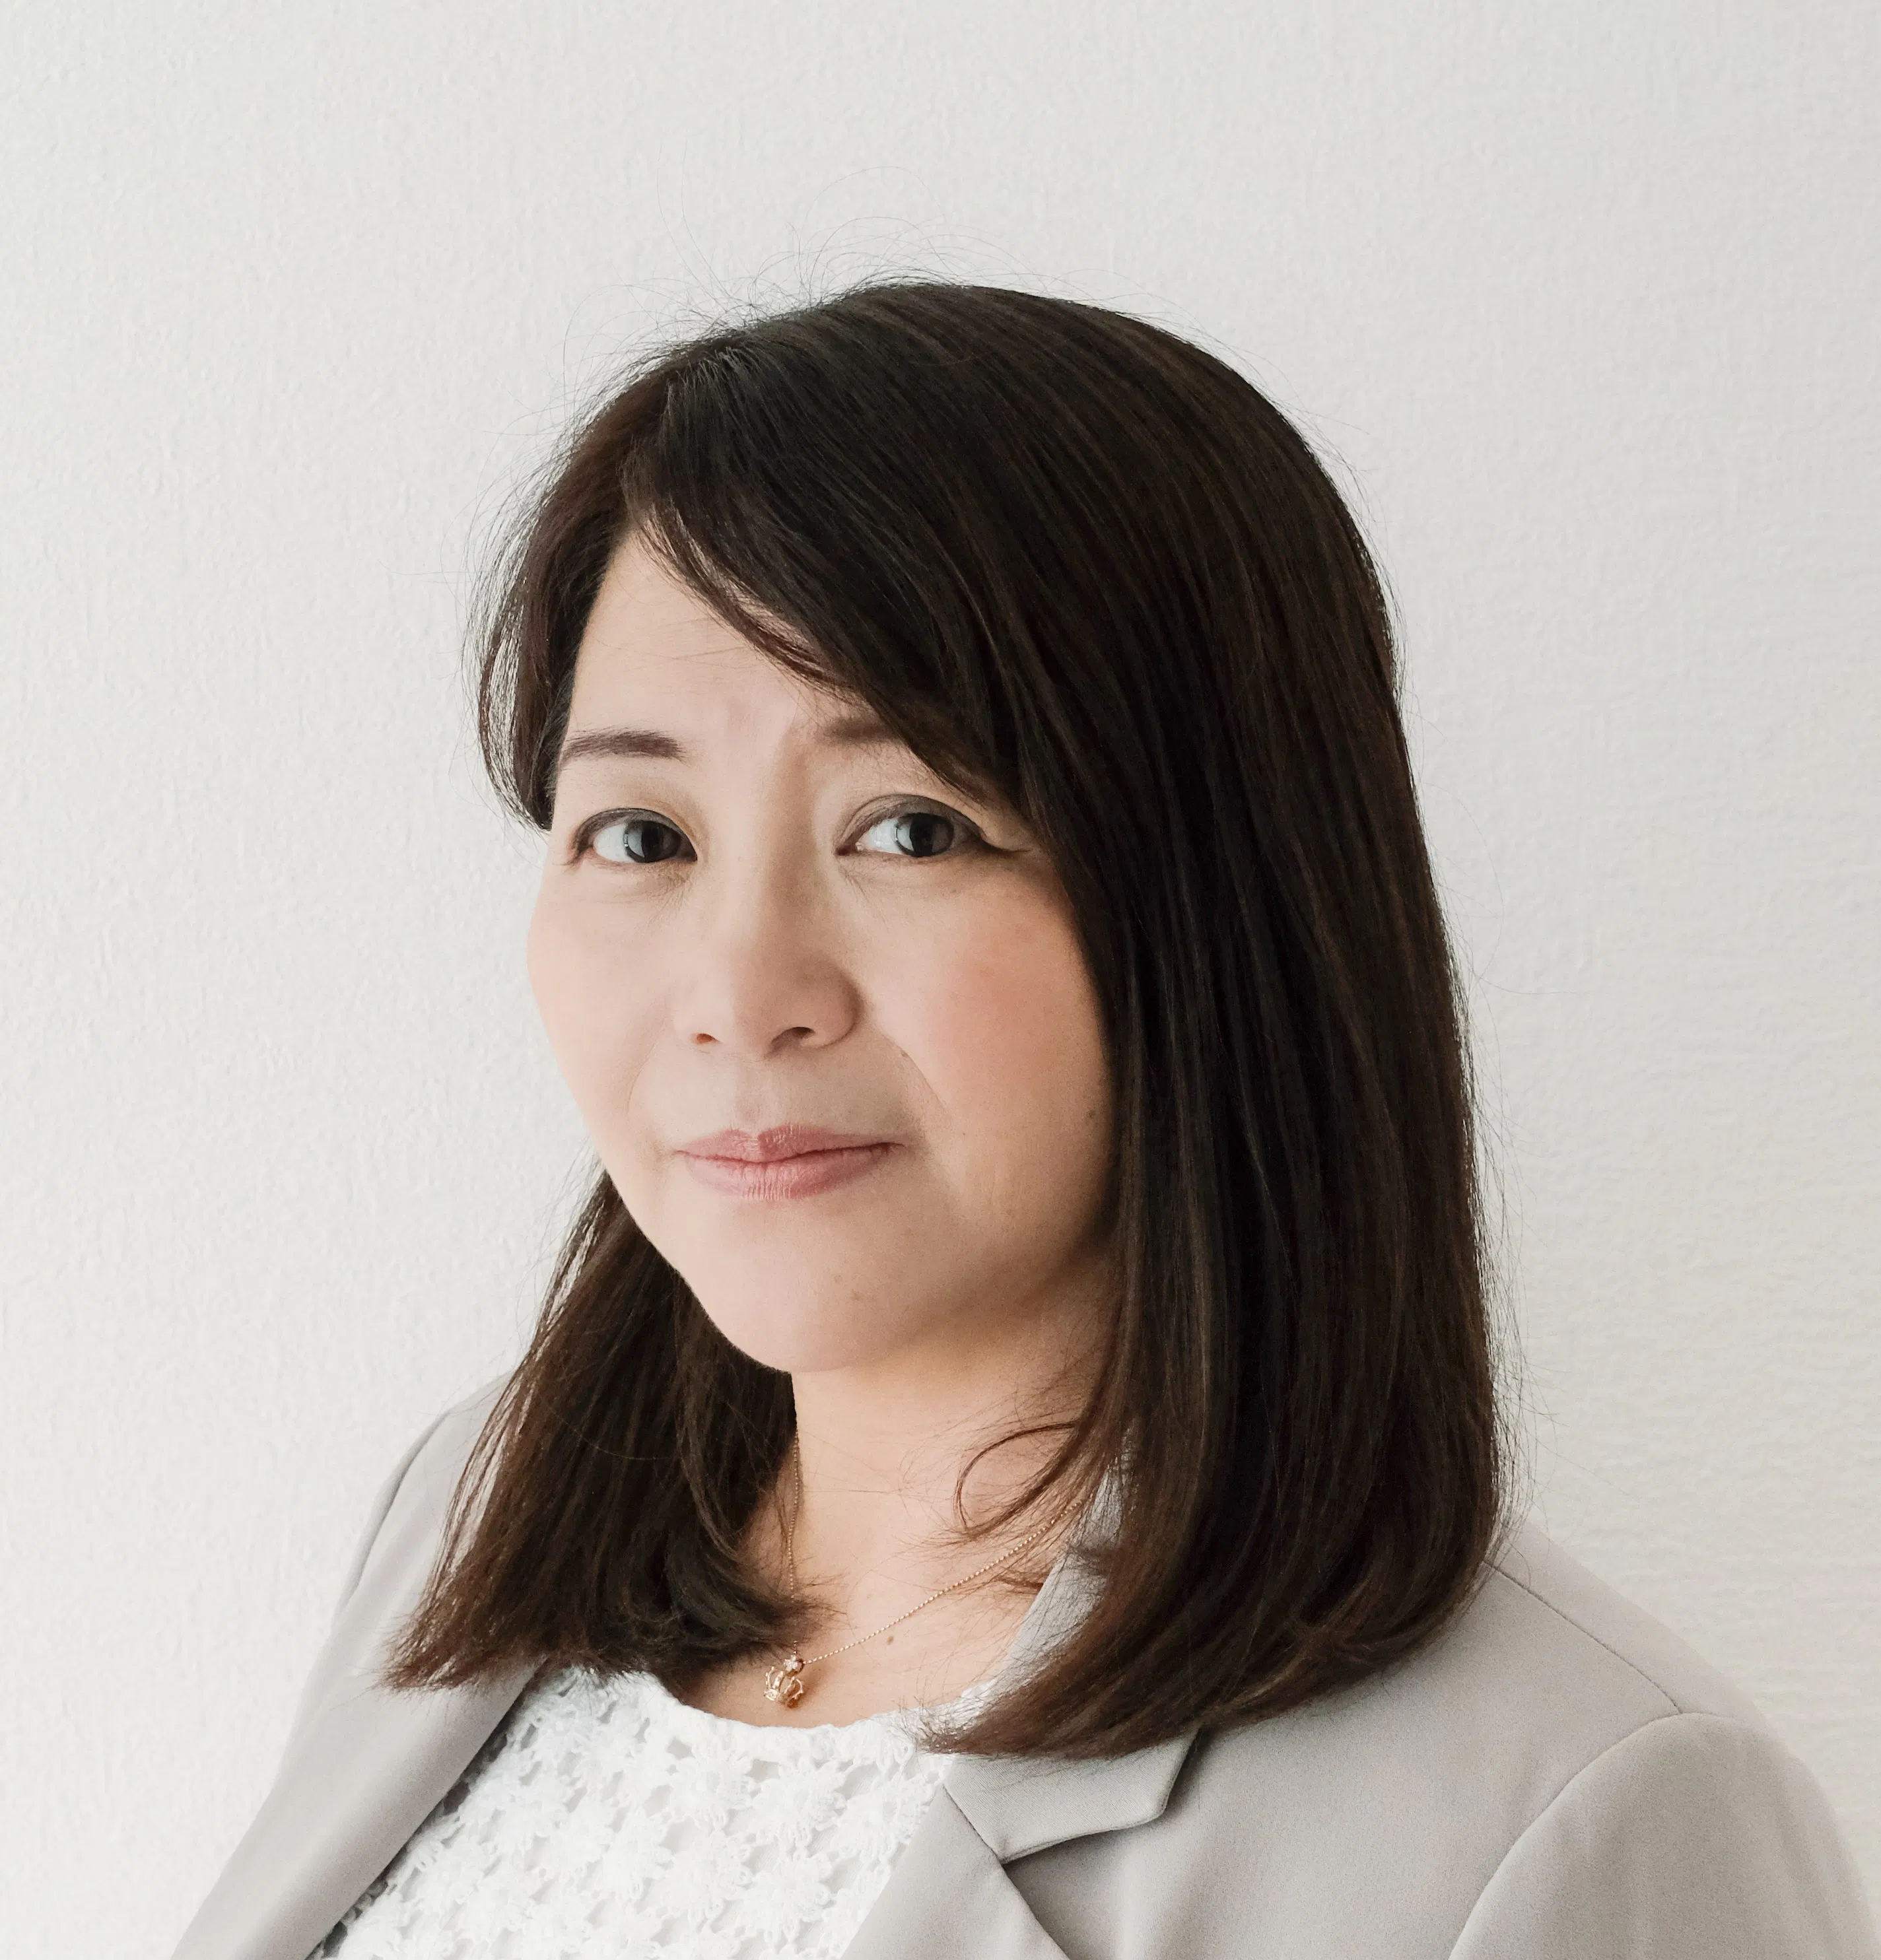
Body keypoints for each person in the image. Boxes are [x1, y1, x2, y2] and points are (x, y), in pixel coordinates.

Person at [171, 280, 1878, 1960]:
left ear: (1225, 908)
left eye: (912, 828)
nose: (742, 991)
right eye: (641, 835)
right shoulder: (471, 1513)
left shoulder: (1584, 1816)